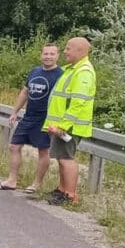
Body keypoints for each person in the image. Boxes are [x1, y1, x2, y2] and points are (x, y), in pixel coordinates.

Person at [0, 43, 62, 193]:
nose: (48, 57)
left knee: (43, 151)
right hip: (28, 116)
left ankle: (36, 184)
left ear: (57, 56)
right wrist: (15, 111)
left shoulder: (61, 75)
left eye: (52, 54)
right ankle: (11, 181)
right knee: (14, 146)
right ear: (41, 55)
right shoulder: (34, 71)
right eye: (45, 53)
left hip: (45, 119)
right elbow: (25, 92)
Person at [42, 37, 96, 205]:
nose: (65, 51)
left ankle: (70, 195)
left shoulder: (83, 72)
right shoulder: (72, 69)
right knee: (61, 157)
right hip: (61, 125)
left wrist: (63, 126)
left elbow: (78, 102)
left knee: (66, 158)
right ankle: (62, 190)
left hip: (69, 126)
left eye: (68, 48)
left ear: (79, 51)